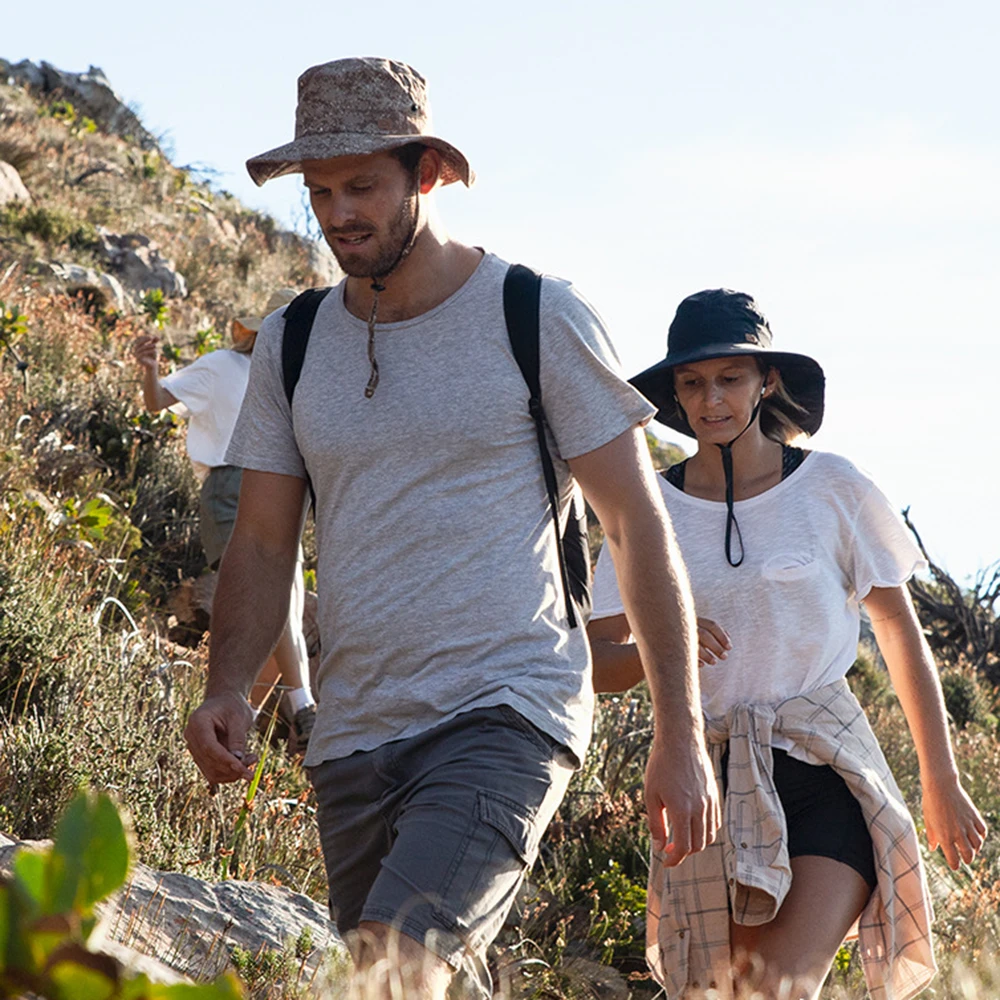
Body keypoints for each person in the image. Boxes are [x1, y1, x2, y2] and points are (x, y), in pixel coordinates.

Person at [182, 56, 720, 1000]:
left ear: (425, 173)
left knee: (389, 974)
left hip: (503, 711)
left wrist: (678, 732)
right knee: (408, 980)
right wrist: (227, 680)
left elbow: (636, 526)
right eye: (320, 192)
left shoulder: (534, 315)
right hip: (352, 735)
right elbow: (263, 542)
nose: (339, 213)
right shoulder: (293, 340)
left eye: (362, 186)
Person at [588, 288, 987, 1000]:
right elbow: (592, 662)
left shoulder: (831, 486)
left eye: (729, 378)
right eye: (692, 383)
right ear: (675, 394)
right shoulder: (649, 509)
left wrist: (939, 778)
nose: (711, 400)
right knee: (720, 994)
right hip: (706, 781)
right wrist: (665, 646)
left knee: (774, 990)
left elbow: (897, 630)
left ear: (766, 380)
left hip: (827, 771)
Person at [132, 291, 317, 749]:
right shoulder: (222, 366)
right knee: (270, 599)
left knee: (284, 611)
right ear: (262, 330)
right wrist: (150, 369)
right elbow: (157, 401)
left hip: (286, 491)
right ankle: (306, 706)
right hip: (231, 487)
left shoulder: (297, 379)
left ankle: (240, 729)